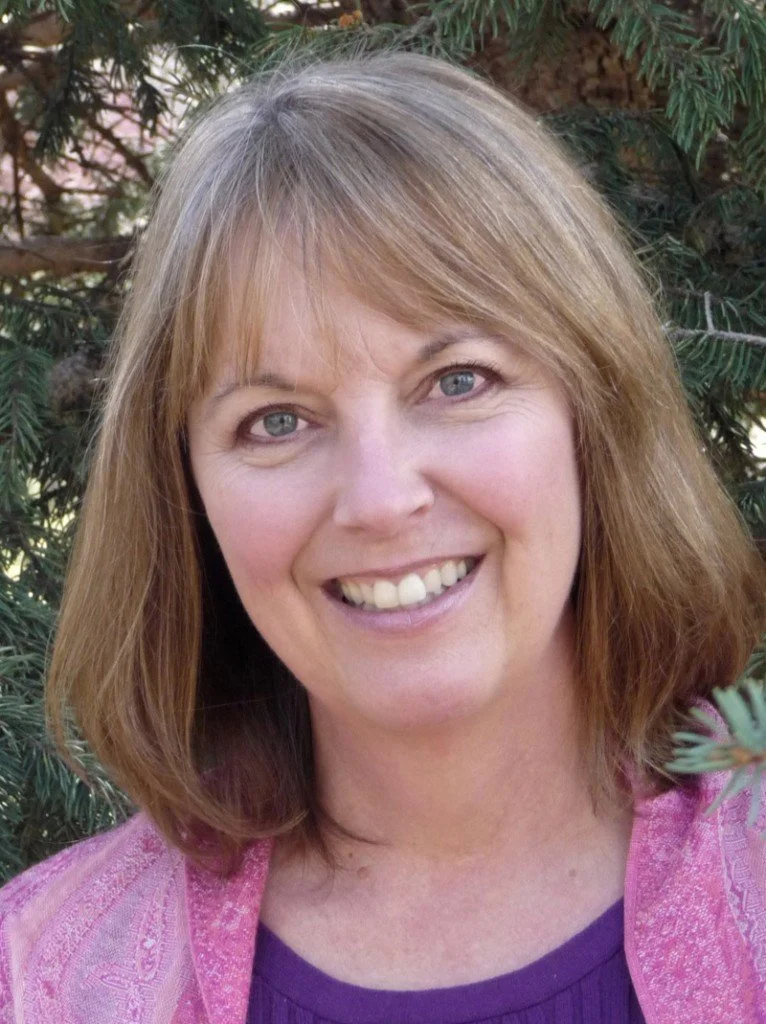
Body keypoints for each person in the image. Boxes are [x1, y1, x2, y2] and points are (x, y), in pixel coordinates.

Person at [1, 51, 764, 1024]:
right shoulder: (44, 980)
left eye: (457, 381)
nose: (378, 497)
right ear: (183, 494)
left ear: (593, 414)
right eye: (276, 421)